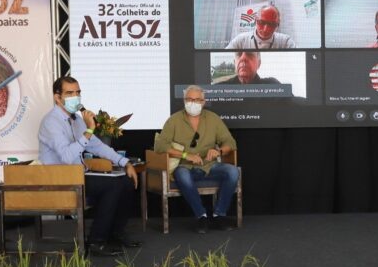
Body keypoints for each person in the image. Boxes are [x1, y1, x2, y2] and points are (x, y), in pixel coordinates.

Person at [38, 76, 139, 256]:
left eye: (78, 93)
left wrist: (125, 162)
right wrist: (89, 129)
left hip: (78, 175)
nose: (75, 97)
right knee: (113, 185)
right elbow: (67, 157)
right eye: (69, 93)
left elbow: (97, 146)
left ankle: (115, 234)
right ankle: (96, 242)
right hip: (60, 179)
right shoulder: (50, 122)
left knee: (126, 181)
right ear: (57, 97)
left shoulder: (76, 120)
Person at [155, 86, 239, 233]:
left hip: (210, 165)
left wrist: (218, 151)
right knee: (181, 174)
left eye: (196, 100)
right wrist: (186, 156)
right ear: (184, 101)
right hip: (186, 167)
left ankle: (219, 215)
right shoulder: (174, 120)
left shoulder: (213, 118)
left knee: (232, 172)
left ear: (203, 101)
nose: (192, 103)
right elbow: (161, 146)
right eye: (189, 99)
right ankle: (201, 216)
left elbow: (230, 143)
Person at [225, 4, 296, 49]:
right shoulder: (240, 40)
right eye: (262, 22)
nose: (265, 29)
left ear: (278, 24)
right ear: (255, 20)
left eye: (272, 24)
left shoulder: (286, 42)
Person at [216, 51, 280, 85]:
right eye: (239, 54)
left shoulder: (273, 85)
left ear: (259, 63)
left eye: (249, 54)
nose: (243, 58)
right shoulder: (219, 88)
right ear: (234, 63)